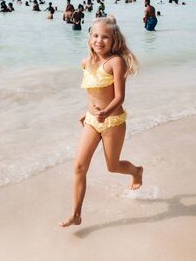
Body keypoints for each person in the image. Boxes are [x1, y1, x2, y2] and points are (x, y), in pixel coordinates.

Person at [60, 16, 142, 227]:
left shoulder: (116, 62)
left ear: (114, 40)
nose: (99, 40)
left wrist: (105, 112)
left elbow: (119, 97)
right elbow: (94, 91)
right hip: (92, 120)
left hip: (112, 120)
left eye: (105, 37)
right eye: (95, 36)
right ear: (89, 38)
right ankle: (76, 214)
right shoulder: (86, 62)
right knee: (79, 166)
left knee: (112, 166)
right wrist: (87, 112)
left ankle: (136, 171)